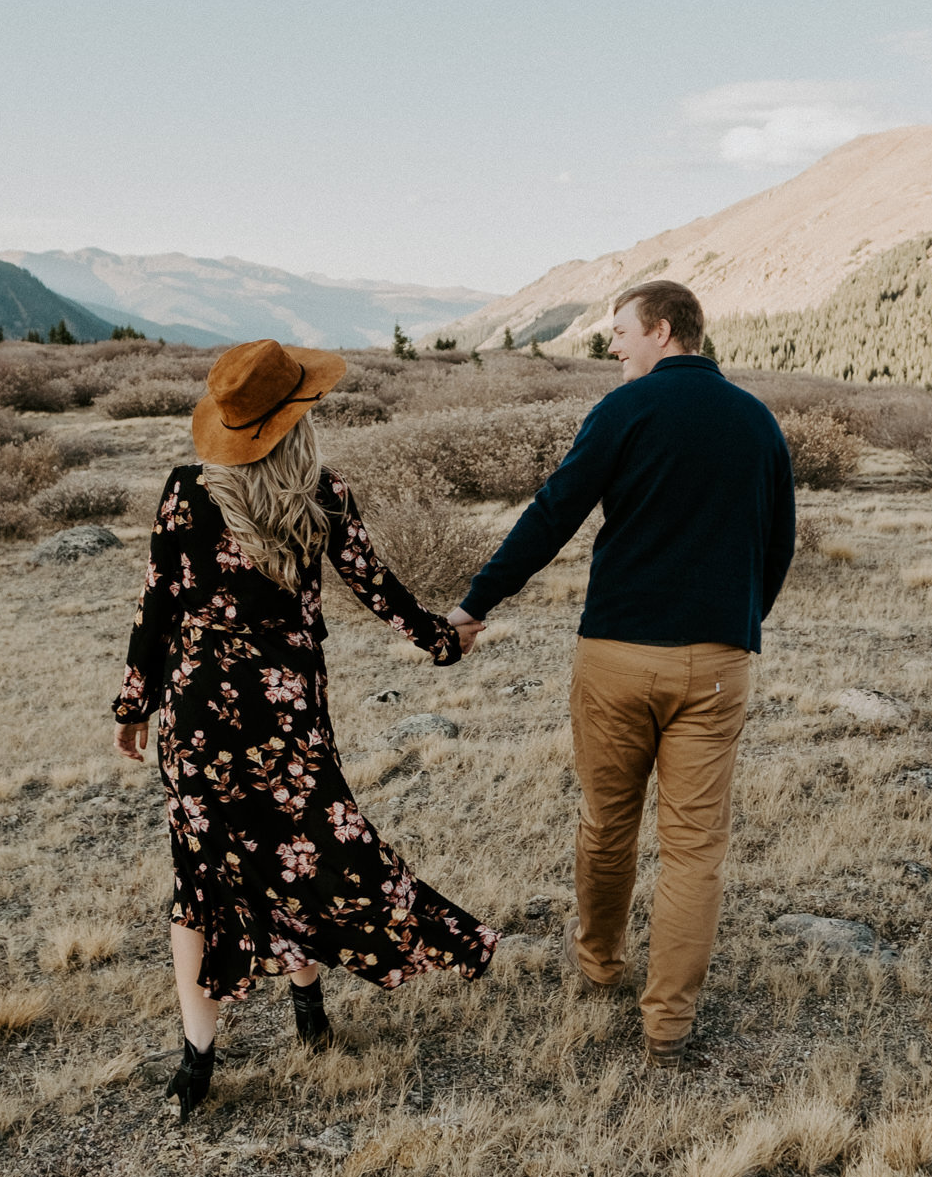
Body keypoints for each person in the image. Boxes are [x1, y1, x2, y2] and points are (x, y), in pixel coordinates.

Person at [116, 338, 498, 1121]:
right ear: (299, 418)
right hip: (286, 718)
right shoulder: (322, 494)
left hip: (196, 721)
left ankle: (198, 1060)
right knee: (303, 848)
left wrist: (134, 702)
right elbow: (378, 588)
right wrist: (442, 638)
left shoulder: (185, 490)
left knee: (204, 877)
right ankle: (310, 1006)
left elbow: (158, 603)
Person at [447, 280, 794, 1068]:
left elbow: (553, 511)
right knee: (695, 850)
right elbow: (777, 547)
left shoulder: (623, 411)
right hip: (717, 662)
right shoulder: (758, 420)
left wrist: (477, 604)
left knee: (608, 822)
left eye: (620, 332)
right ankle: (666, 1028)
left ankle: (601, 961)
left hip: (616, 654)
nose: (612, 347)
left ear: (663, 330)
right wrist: (738, 624)